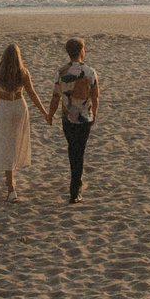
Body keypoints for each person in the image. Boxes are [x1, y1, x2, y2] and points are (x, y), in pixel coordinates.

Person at [0, 42, 50, 198]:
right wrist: (45, 112)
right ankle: (11, 182)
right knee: (14, 144)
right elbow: (32, 94)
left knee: (7, 145)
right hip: (20, 106)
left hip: (5, 107)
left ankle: (11, 187)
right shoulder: (23, 72)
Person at [46, 36, 99, 204]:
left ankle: (75, 186)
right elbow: (95, 97)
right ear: (82, 51)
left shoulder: (61, 72)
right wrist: (94, 113)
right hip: (84, 118)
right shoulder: (90, 72)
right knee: (79, 151)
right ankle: (75, 189)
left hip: (68, 117)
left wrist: (50, 114)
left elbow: (55, 97)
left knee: (72, 150)